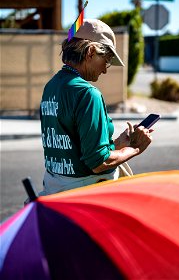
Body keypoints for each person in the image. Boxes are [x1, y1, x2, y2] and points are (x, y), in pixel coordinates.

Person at [39, 19, 153, 196]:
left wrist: (116, 145)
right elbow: (99, 163)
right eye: (106, 60)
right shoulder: (87, 93)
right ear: (91, 52)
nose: (105, 70)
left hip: (55, 190)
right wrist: (134, 148)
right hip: (84, 195)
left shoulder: (52, 86)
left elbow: (75, 148)